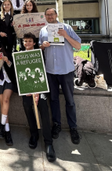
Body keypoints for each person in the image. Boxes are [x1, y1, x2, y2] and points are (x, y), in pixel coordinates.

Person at [39, 8, 81, 144]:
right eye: (47, 15)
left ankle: (73, 127)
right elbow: (40, 49)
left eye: (52, 14)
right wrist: (43, 46)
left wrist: (66, 36)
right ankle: (56, 125)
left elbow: (79, 46)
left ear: (56, 15)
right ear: (45, 16)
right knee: (54, 100)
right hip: (51, 71)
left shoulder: (67, 27)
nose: (50, 16)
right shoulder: (43, 30)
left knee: (70, 101)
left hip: (66, 71)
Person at [22, 32, 56, 163]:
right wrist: (26, 89)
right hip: (26, 88)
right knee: (26, 105)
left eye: (30, 41)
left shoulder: (39, 53)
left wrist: (37, 91)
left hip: (40, 86)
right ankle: (34, 134)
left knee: (42, 104)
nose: (27, 43)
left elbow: (42, 72)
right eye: (25, 41)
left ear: (34, 43)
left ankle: (48, 142)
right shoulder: (20, 55)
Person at [0, 41, 17, 146]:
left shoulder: (8, 55)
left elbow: (13, 69)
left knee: (6, 100)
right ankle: (7, 131)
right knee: (3, 104)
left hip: (8, 81)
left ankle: (1, 125)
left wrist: (7, 62)